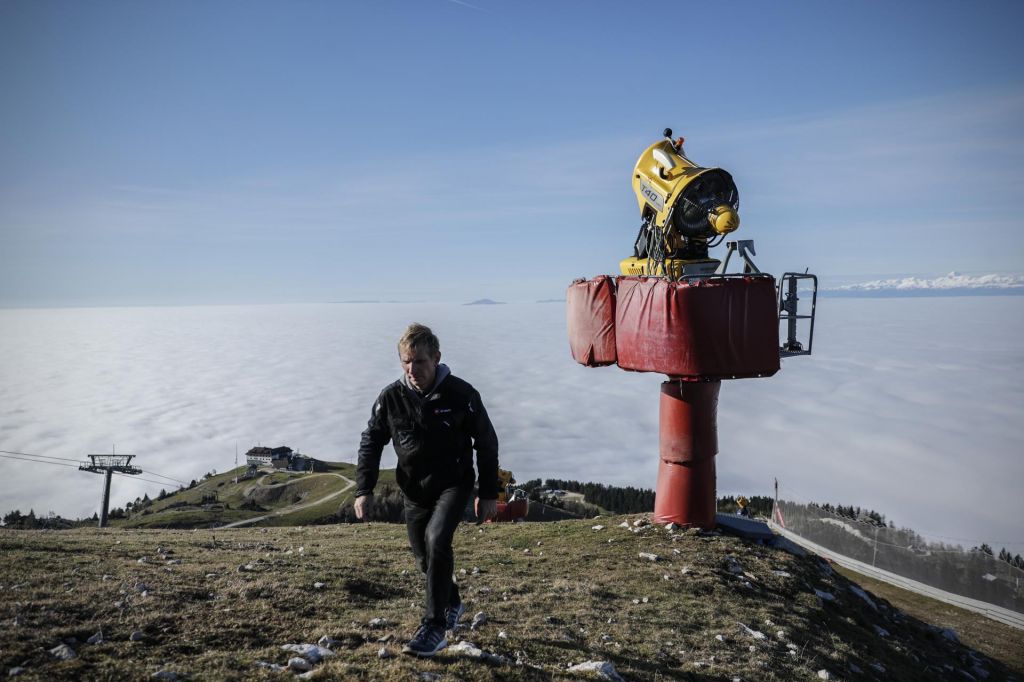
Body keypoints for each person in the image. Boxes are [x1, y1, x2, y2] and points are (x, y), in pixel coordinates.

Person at [354, 323, 499, 658]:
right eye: (406, 362)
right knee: (424, 558)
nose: (412, 369)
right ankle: (453, 601)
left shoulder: (463, 394)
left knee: (437, 540)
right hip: (414, 490)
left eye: (419, 361)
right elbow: (371, 441)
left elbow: (487, 443)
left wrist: (488, 493)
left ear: (436, 358)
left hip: (454, 483)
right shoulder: (391, 397)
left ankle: (434, 627)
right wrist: (365, 489)